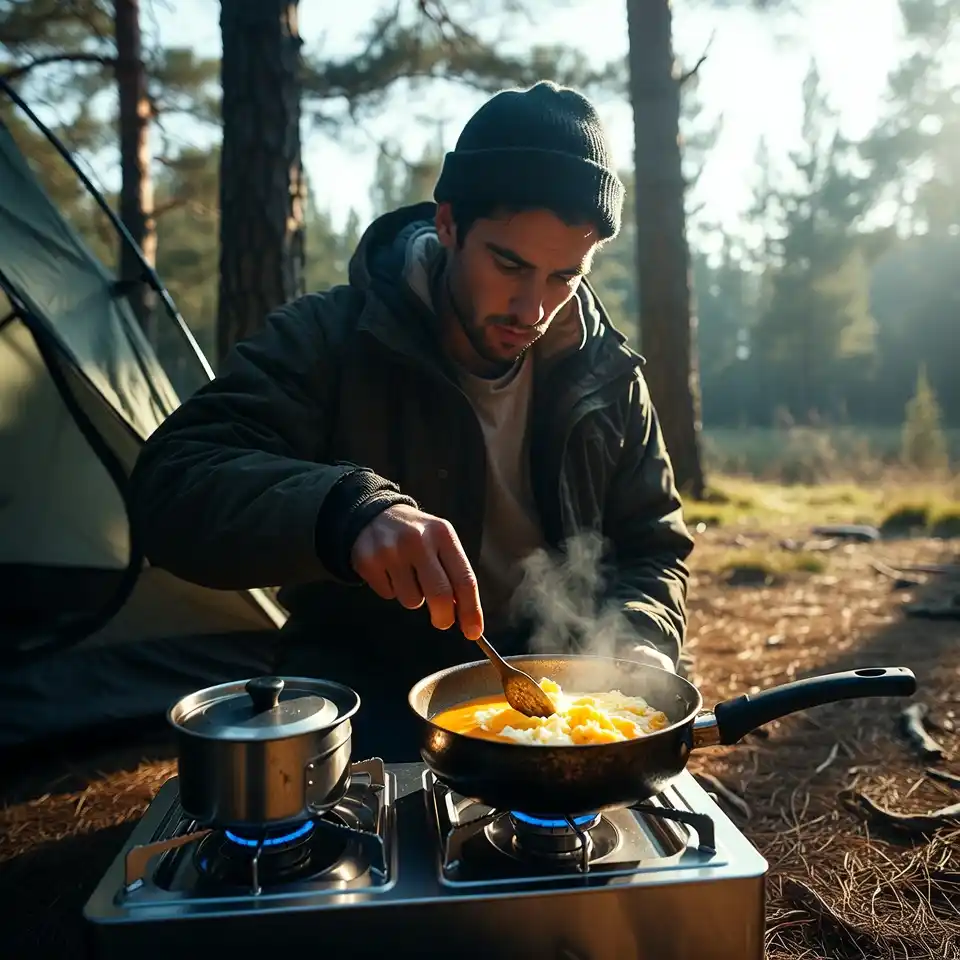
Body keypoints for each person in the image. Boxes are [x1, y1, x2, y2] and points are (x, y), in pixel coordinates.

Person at [129, 81, 695, 761]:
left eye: (562, 276)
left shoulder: (607, 378)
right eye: (508, 263)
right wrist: (345, 512)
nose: (531, 308)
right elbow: (170, 486)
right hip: (369, 701)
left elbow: (652, 547)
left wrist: (634, 647)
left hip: (562, 707)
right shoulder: (329, 340)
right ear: (449, 224)